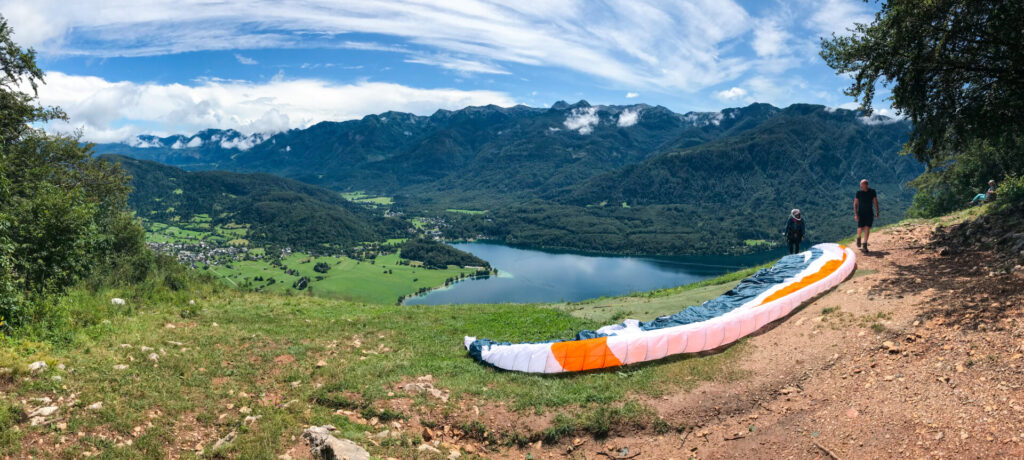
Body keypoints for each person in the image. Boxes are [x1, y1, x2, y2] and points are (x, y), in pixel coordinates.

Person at [854, 179, 879, 252]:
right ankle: (858, 237)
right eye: (860, 185)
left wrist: (877, 211)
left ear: (866, 185)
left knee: (867, 227)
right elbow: (855, 203)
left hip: (869, 213)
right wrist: (856, 214)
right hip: (861, 213)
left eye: (861, 185)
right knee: (860, 228)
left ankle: (865, 244)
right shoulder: (859, 193)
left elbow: (875, 202)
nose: (860, 186)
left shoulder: (872, 192)